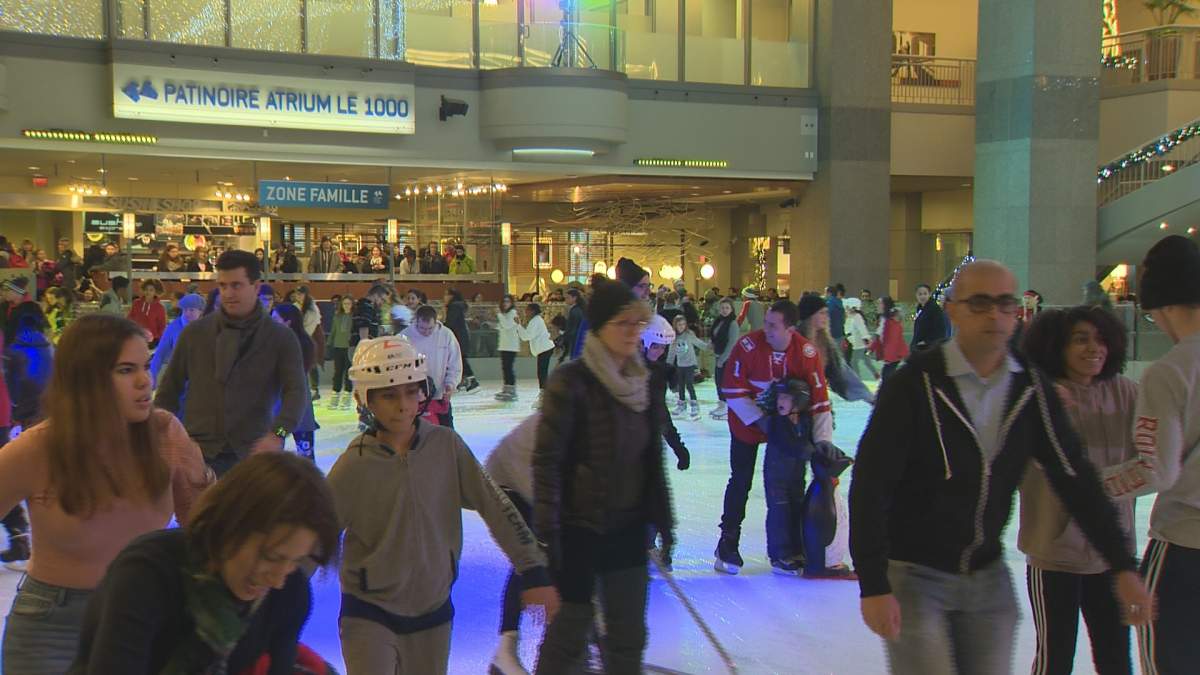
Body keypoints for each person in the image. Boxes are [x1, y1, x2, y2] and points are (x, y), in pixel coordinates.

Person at [849, 260, 1152, 675]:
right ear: (953, 309)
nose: (994, 315)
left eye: (1005, 304)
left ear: (1017, 312)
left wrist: (1121, 564)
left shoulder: (1030, 388)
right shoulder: (915, 383)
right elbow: (871, 484)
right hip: (915, 576)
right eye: (980, 303)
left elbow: (1074, 477)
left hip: (987, 578)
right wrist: (874, 583)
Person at [329, 337, 559, 675]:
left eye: (411, 391)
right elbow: (311, 536)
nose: (403, 405)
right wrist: (278, 595)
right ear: (367, 400)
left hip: (433, 614)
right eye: (389, 395)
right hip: (369, 612)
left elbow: (495, 505)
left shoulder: (446, 447)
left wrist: (533, 567)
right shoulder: (354, 466)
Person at [0, 314, 212, 674]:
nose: (146, 381)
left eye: (146, 365)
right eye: (126, 370)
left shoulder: (164, 434)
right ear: (87, 379)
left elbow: (209, 530)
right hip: (53, 626)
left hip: (145, 618)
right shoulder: (39, 448)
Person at [67, 452, 339, 675]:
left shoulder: (289, 593)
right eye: (271, 557)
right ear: (232, 523)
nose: (278, 579)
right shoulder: (148, 572)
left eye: (294, 562)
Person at [533, 280, 675, 674]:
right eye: (623, 323)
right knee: (571, 633)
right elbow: (547, 461)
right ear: (599, 328)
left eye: (638, 323)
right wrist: (548, 532)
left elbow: (651, 461)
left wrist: (662, 519)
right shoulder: (572, 382)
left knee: (628, 635)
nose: (633, 331)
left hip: (629, 528)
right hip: (580, 530)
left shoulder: (642, 382)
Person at [1075, 235, 1200, 673]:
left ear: (1160, 305)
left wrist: (1090, 485)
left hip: (1186, 548)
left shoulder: (1171, 372)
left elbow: (1156, 470)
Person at [1018, 306, 1138, 675]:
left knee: (1117, 660)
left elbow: (1154, 460)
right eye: (1081, 339)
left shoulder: (1129, 394)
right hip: (1054, 555)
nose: (1094, 348)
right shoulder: (1035, 397)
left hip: (1112, 556)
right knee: (1054, 661)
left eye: (1101, 339)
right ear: (1057, 346)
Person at [154, 250, 307, 477]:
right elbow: (169, 391)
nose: (228, 293)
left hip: (253, 453)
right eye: (223, 286)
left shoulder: (280, 338)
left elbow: (296, 391)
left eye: (236, 285)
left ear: (256, 287)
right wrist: (167, 440)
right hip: (198, 453)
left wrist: (278, 433)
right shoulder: (195, 334)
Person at [714, 299, 832, 574]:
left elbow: (819, 403)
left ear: (790, 329)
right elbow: (731, 389)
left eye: (772, 325)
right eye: (765, 322)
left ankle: (790, 548)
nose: (765, 329)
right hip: (747, 426)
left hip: (786, 431)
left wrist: (823, 442)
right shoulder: (748, 347)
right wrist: (762, 421)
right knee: (741, 480)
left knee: (789, 487)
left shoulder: (806, 353)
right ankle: (727, 544)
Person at [797, 293, 874, 405]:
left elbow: (842, 372)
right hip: (794, 403)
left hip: (819, 403)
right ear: (809, 315)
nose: (826, 317)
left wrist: (867, 396)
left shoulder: (826, 344)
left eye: (826, 313)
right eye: (821, 313)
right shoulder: (795, 340)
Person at [270, 304, 319, 462]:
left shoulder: (294, 345)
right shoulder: (297, 343)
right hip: (292, 411)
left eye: (275, 319)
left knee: (298, 453)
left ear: (288, 322)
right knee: (301, 454)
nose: (272, 323)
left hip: (287, 409)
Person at [402, 304, 463, 428]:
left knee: (447, 431)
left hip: (440, 394)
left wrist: (451, 384)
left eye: (430, 328)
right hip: (415, 397)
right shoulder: (404, 337)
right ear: (416, 322)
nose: (426, 332)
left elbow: (455, 363)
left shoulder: (446, 335)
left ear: (436, 322)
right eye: (422, 328)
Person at [149, 293, 204, 386]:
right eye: (185, 310)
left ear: (200, 311)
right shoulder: (173, 328)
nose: (187, 313)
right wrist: (152, 375)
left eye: (191, 310)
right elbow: (160, 353)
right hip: (178, 380)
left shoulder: (206, 327)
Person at [667, 313, 708, 420]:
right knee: (680, 385)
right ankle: (682, 405)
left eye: (683, 324)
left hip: (690, 364)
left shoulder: (689, 334)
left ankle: (694, 406)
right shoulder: (674, 338)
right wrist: (668, 364)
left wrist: (708, 347)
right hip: (681, 365)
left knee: (689, 384)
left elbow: (698, 342)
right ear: (675, 326)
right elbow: (671, 352)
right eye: (679, 325)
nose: (681, 327)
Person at [706, 296, 739, 420]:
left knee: (725, 382)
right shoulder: (718, 321)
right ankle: (721, 403)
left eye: (727, 308)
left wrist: (723, 359)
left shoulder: (732, 323)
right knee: (718, 382)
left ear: (731, 309)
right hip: (718, 355)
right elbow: (714, 335)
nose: (724, 310)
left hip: (727, 358)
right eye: (722, 308)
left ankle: (726, 406)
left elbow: (732, 343)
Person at [517, 303, 555, 407]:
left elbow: (527, 336)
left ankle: (545, 396)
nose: (526, 312)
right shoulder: (536, 321)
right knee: (541, 372)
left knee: (542, 372)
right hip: (544, 349)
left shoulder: (535, 321)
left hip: (545, 349)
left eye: (527, 310)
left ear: (533, 311)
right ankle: (545, 395)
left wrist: (518, 325)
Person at [291, 285, 325, 402]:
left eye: (301, 294)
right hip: (298, 339)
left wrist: (301, 335)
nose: (298, 296)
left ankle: (315, 389)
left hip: (310, 339)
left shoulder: (312, 309)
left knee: (311, 363)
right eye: (297, 294)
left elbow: (311, 327)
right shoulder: (295, 307)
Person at [444, 288, 480, 393]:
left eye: (446, 295)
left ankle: (471, 380)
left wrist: (442, 327)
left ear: (452, 296)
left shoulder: (454, 307)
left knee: (460, 360)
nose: (444, 297)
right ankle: (462, 381)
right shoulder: (457, 306)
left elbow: (451, 322)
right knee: (459, 360)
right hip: (460, 337)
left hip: (458, 338)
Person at [871, 295, 909, 384]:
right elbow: (879, 337)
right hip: (890, 355)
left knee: (887, 378)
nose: (877, 305)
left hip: (894, 355)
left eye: (880, 303)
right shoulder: (883, 319)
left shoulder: (891, 322)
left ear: (885, 305)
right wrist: (871, 348)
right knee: (886, 377)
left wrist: (889, 358)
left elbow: (893, 341)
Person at [327, 295, 355, 410]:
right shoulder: (337, 316)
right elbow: (333, 331)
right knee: (337, 372)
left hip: (349, 347)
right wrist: (329, 343)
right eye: (344, 304)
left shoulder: (354, 317)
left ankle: (347, 397)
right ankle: (335, 396)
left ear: (352, 305)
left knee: (348, 373)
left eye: (349, 303)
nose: (346, 306)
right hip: (338, 346)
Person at [845, 297, 879, 380]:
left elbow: (862, 329)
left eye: (847, 307)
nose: (846, 309)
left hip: (859, 344)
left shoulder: (857, 317)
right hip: (855, 343)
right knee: (866, 361)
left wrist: (867, 339)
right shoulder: (850, 317)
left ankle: (858, 378)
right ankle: (876, 375)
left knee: (854, 362)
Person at [495, 294, 522, 402]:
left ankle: (511, 389)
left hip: (511, 346)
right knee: (505, 367)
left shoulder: (513, 313)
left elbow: (507, 325)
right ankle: (507, 388)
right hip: (505, 345)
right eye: (504, 301)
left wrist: (499, 315)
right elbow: (503, 327)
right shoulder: (505, 314)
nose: (505, 304)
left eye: (508, 301)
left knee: (508, 367)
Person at [911, 283, 949, 352]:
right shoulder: (920, 309)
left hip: (929, 349)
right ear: (916, 295)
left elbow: (940, 331)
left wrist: (926, 342)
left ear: (929, 294)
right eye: (920, 294)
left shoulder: (934, 309)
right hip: (919, 348)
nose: (922, 296)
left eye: (925, 294)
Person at [129, 279, 167, 345]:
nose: (148, 292)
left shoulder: (160, 308)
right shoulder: (136, 303)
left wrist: (158, 338)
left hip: (153, 341)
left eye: (151, 290)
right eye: (146, 289)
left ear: (156, 292)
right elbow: (130, 319)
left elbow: (162, 326)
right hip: (136, 338)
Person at [352, 282, 389, 348]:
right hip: (362, 348)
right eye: (382, 300)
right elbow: (363, 328)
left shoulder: (364, 306)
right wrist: (365, 347)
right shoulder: (366, 307)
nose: (382, 303)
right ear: (376, 295)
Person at [560, 288, 586, 364]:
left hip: (575, 339)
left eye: (568, 298)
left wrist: (565, 336)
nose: (566, 300)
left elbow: (573, 327)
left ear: (574, 298)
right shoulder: (579, 309)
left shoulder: (575, 311)